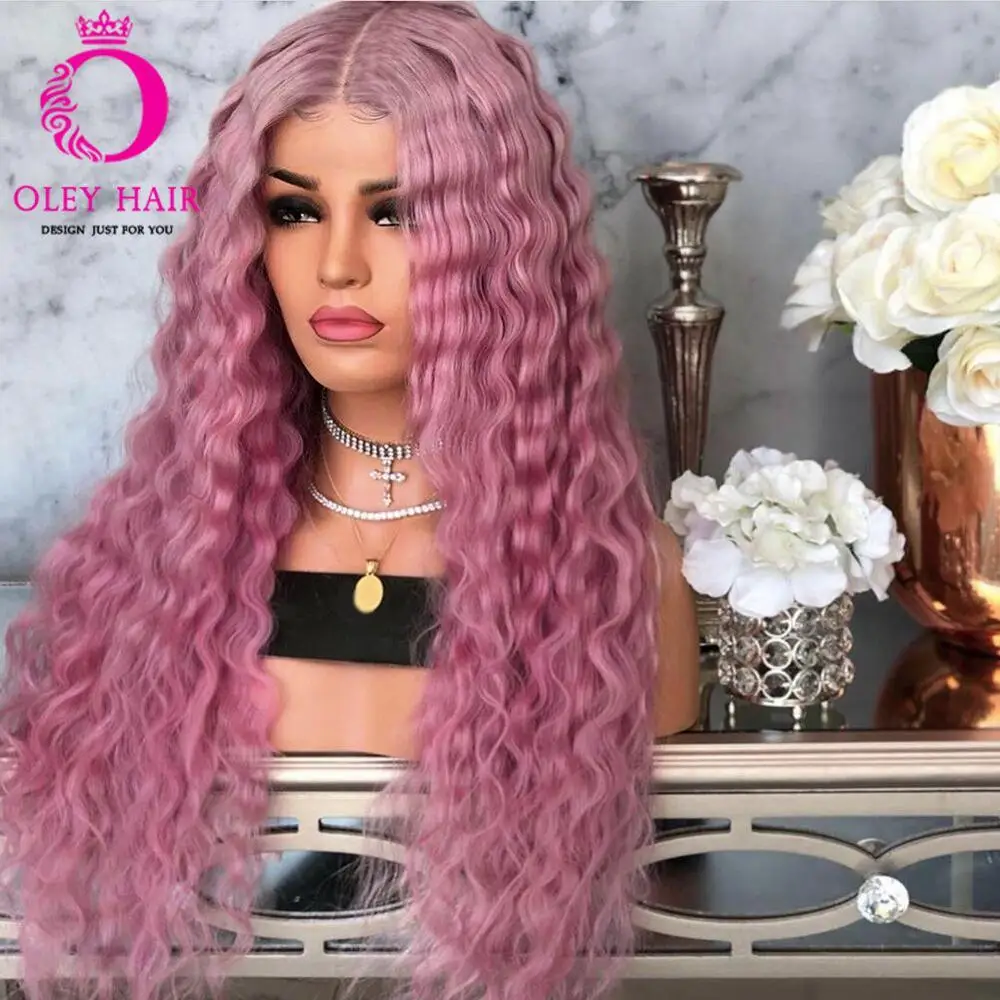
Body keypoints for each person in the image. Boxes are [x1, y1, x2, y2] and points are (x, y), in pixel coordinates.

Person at [0, 4, 701, 1000]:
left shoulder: (614, 577)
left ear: (498, 244)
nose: (337, 265)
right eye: (294, 212)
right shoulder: (164, 559)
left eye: (394, 211)